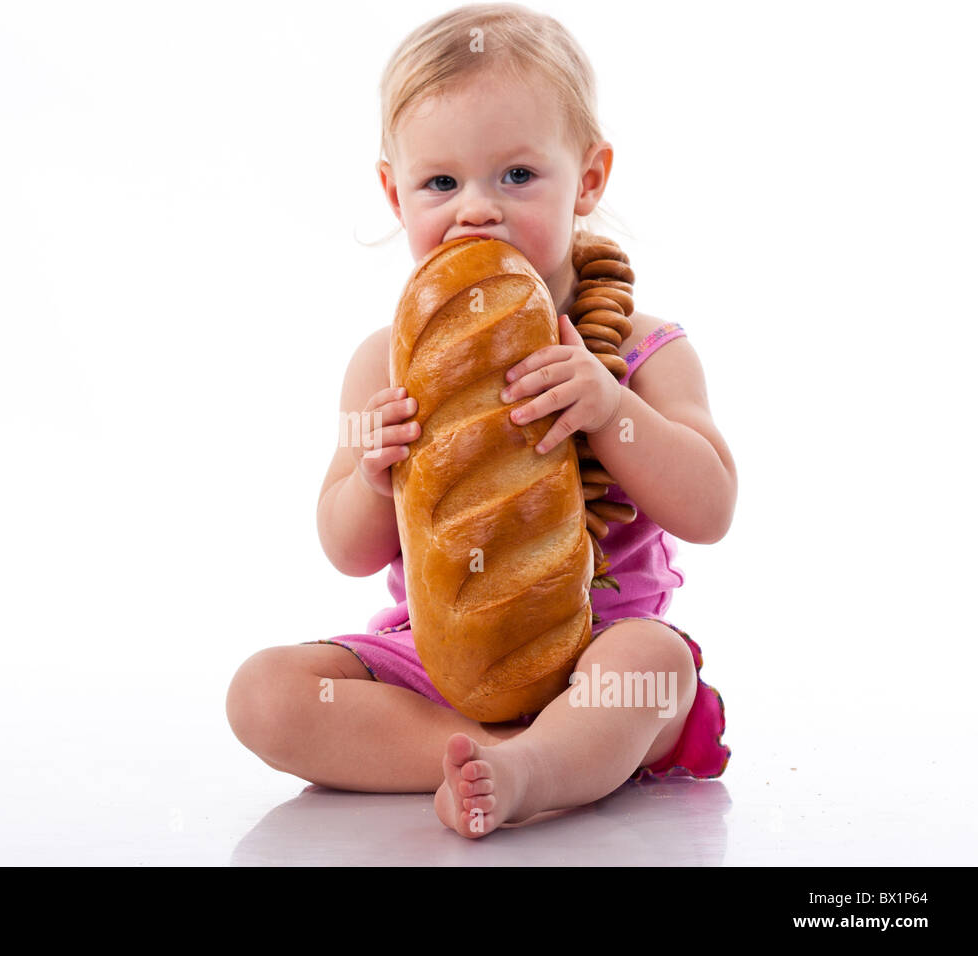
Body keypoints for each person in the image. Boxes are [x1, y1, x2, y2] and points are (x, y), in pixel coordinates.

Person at [226, 3, 736, 839]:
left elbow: (711, 508)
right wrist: (371, 475)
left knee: (655, 666)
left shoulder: (643, 349)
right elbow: (345, 548)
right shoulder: (381, 363)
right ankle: (482, 753)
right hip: (435, 658)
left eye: (517, 176)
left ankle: (533, 768)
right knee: (262, 694)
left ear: (591, 179)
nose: (476, 210)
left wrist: (613, 412)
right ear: (394, 194)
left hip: (595, 657)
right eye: (440, 183)